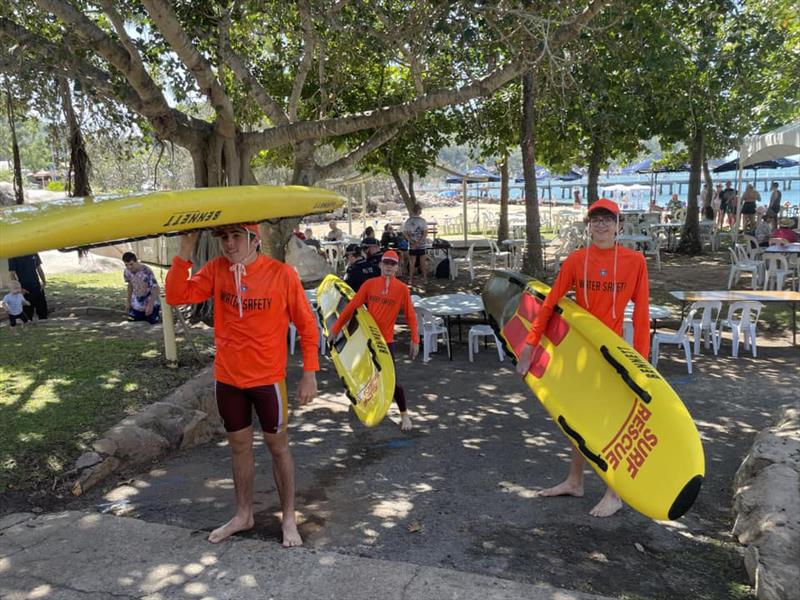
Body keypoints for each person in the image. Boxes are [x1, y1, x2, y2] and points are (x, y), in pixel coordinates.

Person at [165, 223, 319, 548]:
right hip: (229, 379)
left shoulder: (281, 274)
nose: (229, 244)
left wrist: (310, 372)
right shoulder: (218, 269)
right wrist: (184, 250)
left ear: (254, 239)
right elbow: (177, 295)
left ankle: (289, 517)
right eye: (224, 237)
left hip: (267, 380)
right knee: (239, 447)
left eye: (236, 237)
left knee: (278, 448)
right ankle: (243, 514)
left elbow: (307, 325)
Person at [515, 198, 650, 518]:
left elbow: (641, 314)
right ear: (588, 225)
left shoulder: (635, 261)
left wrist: (641, 365)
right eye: (595, 220)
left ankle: (615, 493)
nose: (601, 225)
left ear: (619, 226)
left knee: (610, 424)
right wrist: (530, 344)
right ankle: (575, 481)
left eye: (608, 220)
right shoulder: (577, 260)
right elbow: (549, 304)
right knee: (576, 421)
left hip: (613, 357)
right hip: (578, 356)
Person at [330, 250, 419, 431]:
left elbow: (411, 316)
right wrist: (335, 328)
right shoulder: (369, 284)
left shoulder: (402, 289)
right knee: (362, 374)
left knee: (392, 380)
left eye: (392, 264)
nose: (388, 266)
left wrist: (415, 339)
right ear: (380, 265)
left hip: (385, 341)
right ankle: (364, 405)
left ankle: (405, 416)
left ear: (397, 267)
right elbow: (352, 307)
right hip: (366, 337)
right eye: (385, 263)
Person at [122, 252, 161, 324]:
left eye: (131, 264)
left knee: (152, 322)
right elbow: (130, 285)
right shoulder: (126, 271)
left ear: (136, 261)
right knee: (131, 320)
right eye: (126, 265)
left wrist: (151, 304)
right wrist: (128, 301)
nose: (129, 267)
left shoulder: (146, 271)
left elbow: (156, 288)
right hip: (137, 303)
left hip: (150, 301)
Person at [8, 253, 48, 321]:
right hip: (25, 289)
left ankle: (44, 327)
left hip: (37, 286)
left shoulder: (33, 252)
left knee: (43, 312)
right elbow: (12, 274)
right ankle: (28, 329)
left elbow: (39, 268)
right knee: (27, 314)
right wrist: (19, 289)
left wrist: (44, 282)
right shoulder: (13, 255)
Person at [402, 204, 429, 286]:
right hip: (422, 245)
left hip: (412, 245)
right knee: (422, 263)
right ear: (419, 211)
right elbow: (425, 233)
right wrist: (419, 242)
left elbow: (405, 233)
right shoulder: (422, 221)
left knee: (412, 263)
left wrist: (411, 241)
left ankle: (410, 279)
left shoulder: (408, 221)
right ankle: (425, 279)